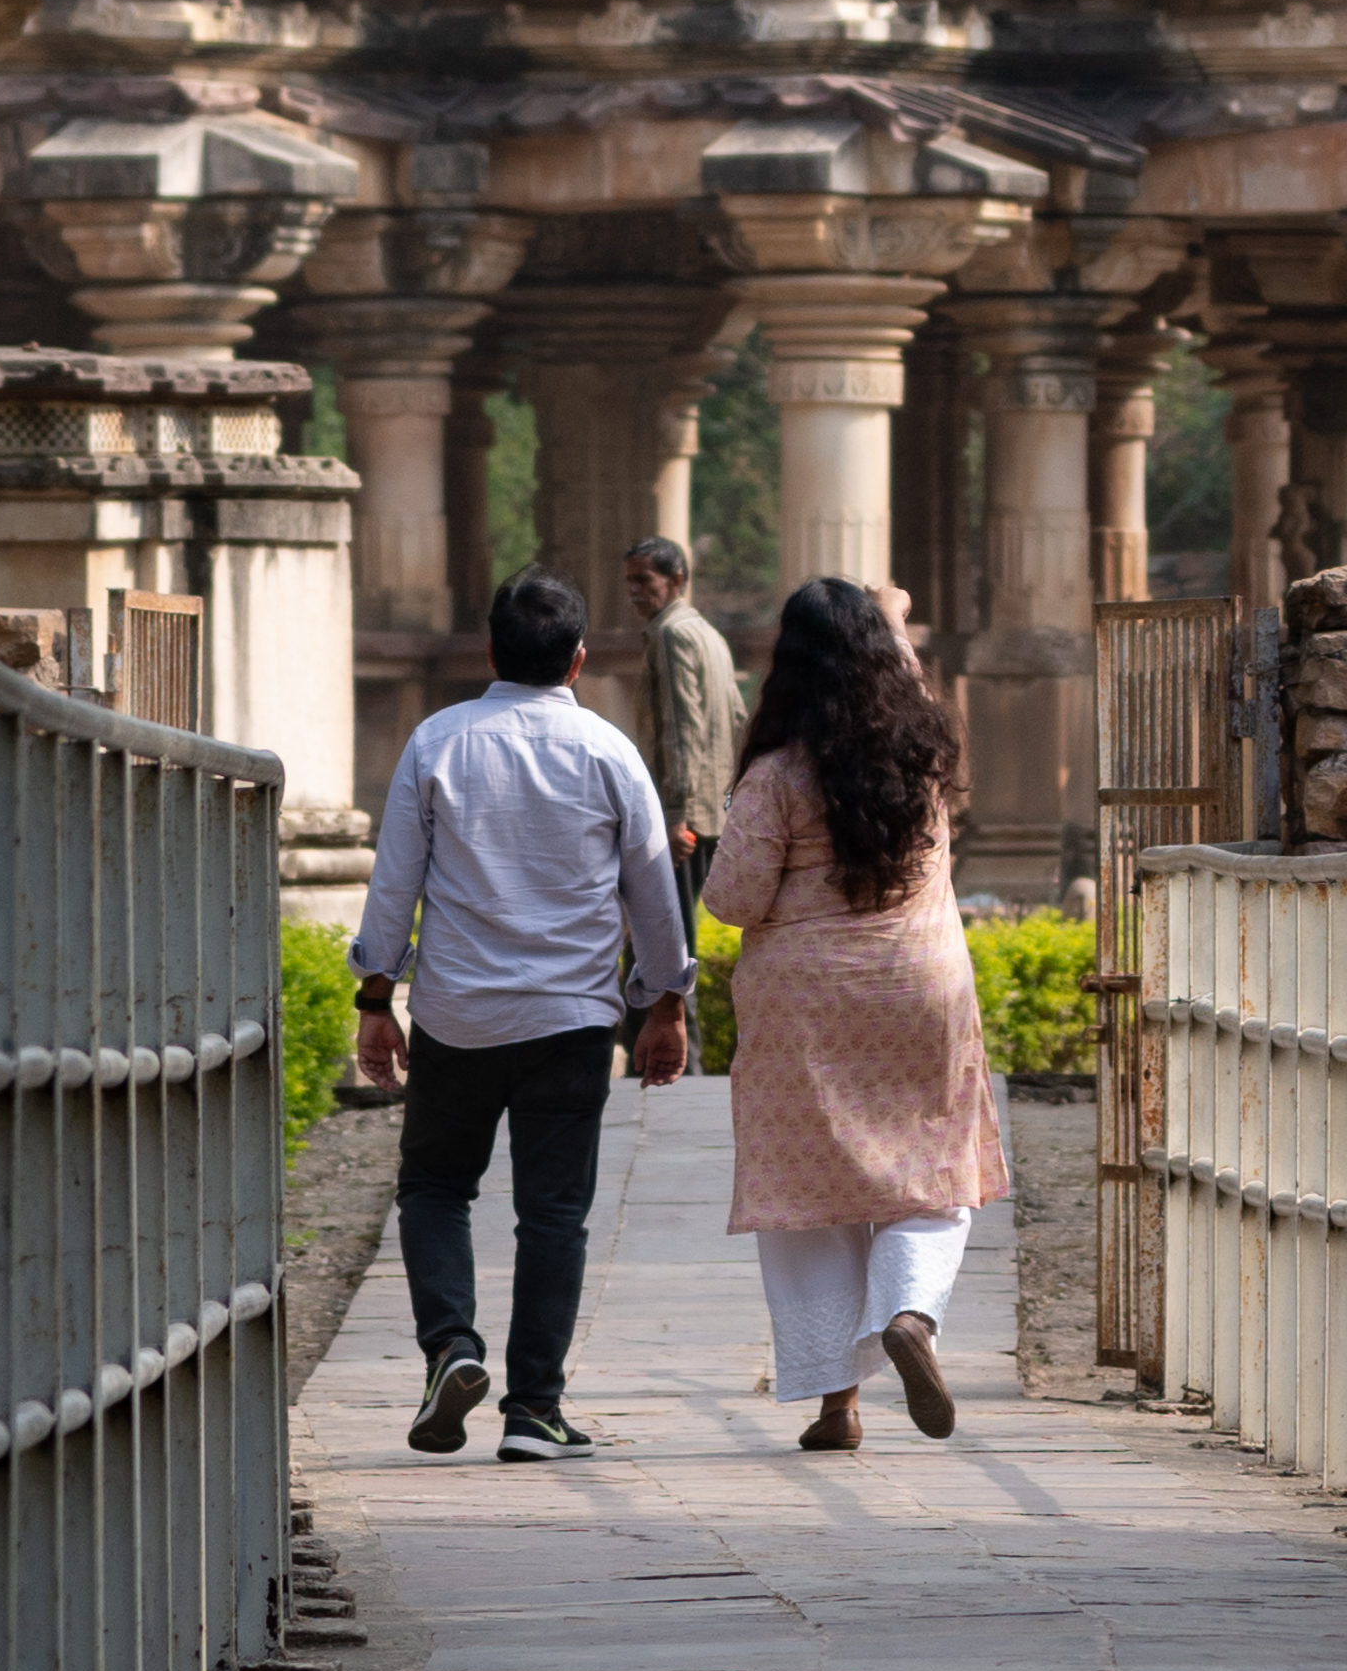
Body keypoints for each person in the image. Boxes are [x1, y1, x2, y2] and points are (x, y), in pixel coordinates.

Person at [352, 568, 696, 1463]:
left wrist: (375, 997)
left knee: (434, 1190)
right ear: (579, 660)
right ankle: (533, 1409)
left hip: (458, 1014)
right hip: (572, 1020)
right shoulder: (609, 753)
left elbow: (395, 884)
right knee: (552, 1215)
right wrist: (665, 1004)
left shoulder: (437, 742)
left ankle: (451, 1350)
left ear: (492, 652)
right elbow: (656, 897)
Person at [708, 570, 1003, 1452]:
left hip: (805, 1007)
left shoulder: (775, 776)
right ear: (884, 659)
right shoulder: (926, 757)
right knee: (934, 1176)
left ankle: (837, 1406)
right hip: (921, 990)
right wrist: (892, 619)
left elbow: (731, 898)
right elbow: (899, 684)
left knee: (810, 1200)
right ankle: (911, 1313)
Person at [623, 530, 744, 915]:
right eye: (630, 580)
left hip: (682, 819)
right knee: (675, 932)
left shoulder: (672, 635)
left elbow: (681, 730)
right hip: (709, 811)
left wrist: (675, 815)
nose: (634, 590)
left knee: (659, 935)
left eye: (644, 579)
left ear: (676, 580)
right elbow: (738, 719)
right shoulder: (707, 634)